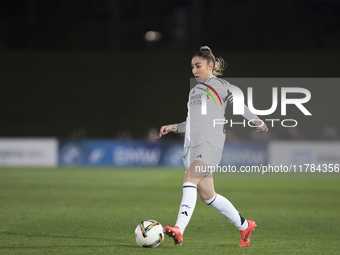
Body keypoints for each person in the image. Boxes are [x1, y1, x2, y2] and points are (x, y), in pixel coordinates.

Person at [156, 46, 268, 247]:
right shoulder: (194, 92)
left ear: (211, 65)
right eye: (192, 67)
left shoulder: (222, 86)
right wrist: (174, 127)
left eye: (198, 66)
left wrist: (256, 120)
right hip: (193, 146)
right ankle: (244, 225)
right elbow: (191, 122)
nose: (194, 70)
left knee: (189, 180)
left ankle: (179, 228)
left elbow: (239, 105)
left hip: (210, 144)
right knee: (208, 196)